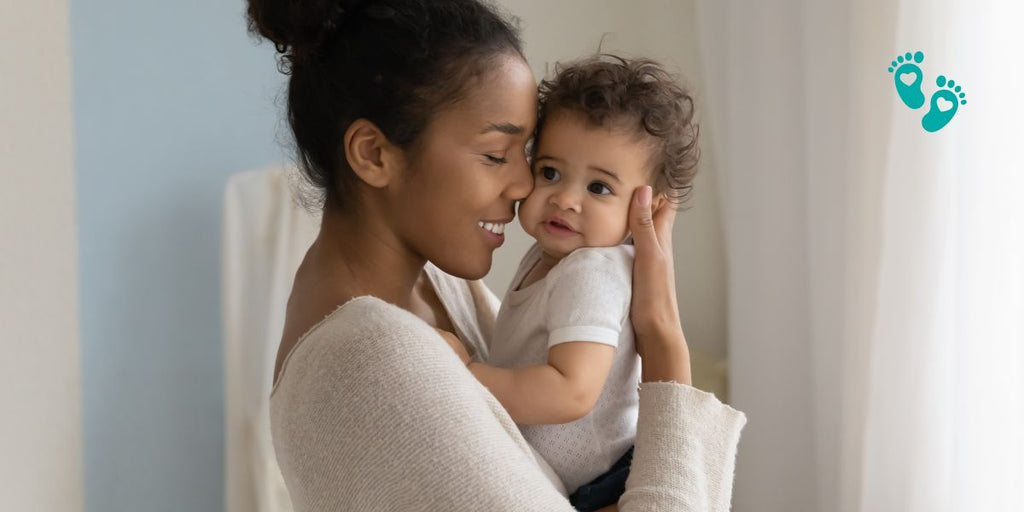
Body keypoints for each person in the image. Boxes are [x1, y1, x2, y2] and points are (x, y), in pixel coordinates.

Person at [248, 0, 747, 510]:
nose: (525, 183)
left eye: (526, 154)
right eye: (495, 155)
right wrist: (663, 342)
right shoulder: (369, 358)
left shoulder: (437, 284)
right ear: (375, 154)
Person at [448, 54, 700, 512]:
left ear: (647, 209)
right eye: (550, 172)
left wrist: (466, 376)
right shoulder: (551, 255)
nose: (564, 198)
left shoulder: (592, 271)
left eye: (599, 188)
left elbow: (572, 392)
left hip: (606, 483)